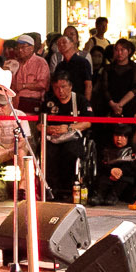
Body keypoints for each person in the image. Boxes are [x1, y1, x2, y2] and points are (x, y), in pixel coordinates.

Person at [40, 73, 86, 201]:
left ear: (70, 86)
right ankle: (51, 189)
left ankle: (68, 188)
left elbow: (88, 122)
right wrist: (48, 128)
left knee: (70, 152)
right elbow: (39, 124)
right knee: (47, 154)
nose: (60, 91)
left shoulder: (80, 100)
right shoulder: (48, 101)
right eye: (56, 87)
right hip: (53, 138)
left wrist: (69, 128)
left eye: (63, 87)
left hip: (71, 137)